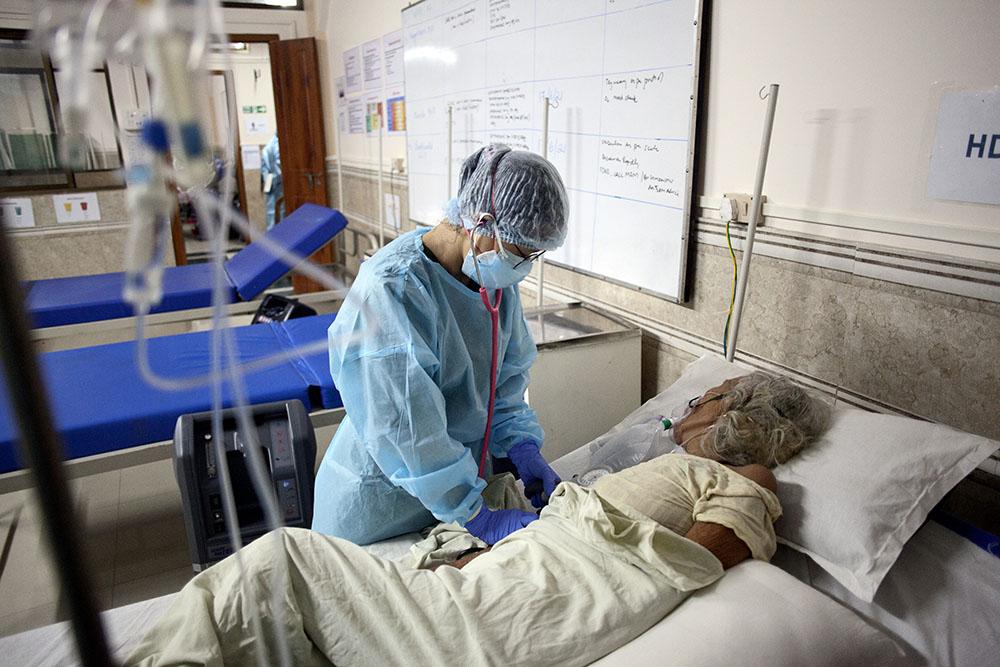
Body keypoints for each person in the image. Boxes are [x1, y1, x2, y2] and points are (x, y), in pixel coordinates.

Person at [126, 371, 831, 666]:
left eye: (705, 397)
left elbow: (711, 549)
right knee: (277, 604)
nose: (688, 406)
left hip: (524, 602)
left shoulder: (741, 474)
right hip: (505, 577)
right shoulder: (673, 463)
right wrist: (488, 551)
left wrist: (585, 536)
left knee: (282, 559)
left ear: (734, 412)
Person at [312, 144, 570, 545]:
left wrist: (521, 446)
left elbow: (503, 385)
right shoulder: (392, 290)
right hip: (381, 509)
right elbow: (407, 430)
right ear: (482, 225)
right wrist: (473, 514)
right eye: (521, 252)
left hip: (458, 500)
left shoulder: (491, 281)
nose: (524, 264)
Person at [260, 133, 283, 230]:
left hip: (270, 182)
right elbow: (280, 166)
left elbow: (264, 169)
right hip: (280, 184)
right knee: (282, 213)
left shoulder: (268, 147)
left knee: (271, 213)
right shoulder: (278, 145)